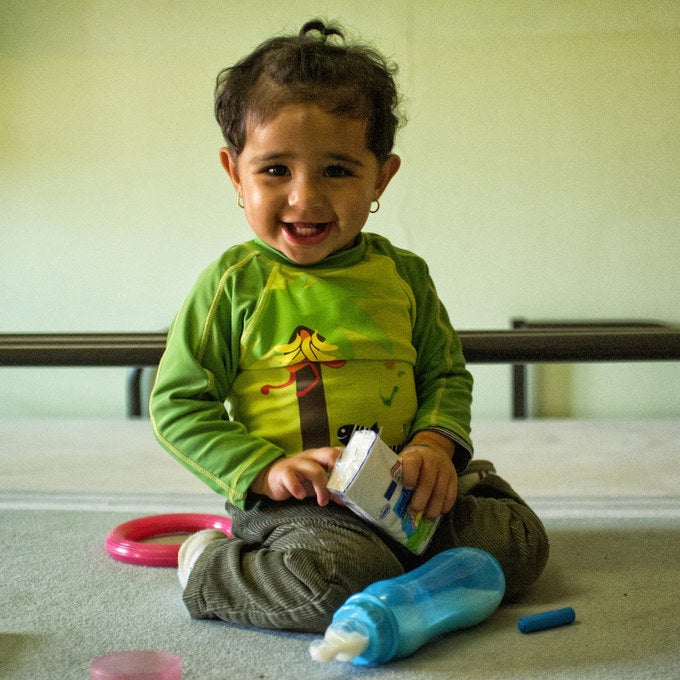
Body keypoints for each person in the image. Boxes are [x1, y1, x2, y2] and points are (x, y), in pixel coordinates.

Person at [149, 19, 549, 634]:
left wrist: (433, 447)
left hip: (405, 491)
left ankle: (396, 570)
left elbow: (445, 373)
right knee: (330, 581)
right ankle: (210, 566)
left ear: (380, 177)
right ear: (235, 174)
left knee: (519, 540)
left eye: (337, 170)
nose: (305, 199)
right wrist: (262, 469)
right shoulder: (234, 284)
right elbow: (179, 404)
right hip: (303, 507)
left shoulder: (403, 275)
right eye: (275, 170)